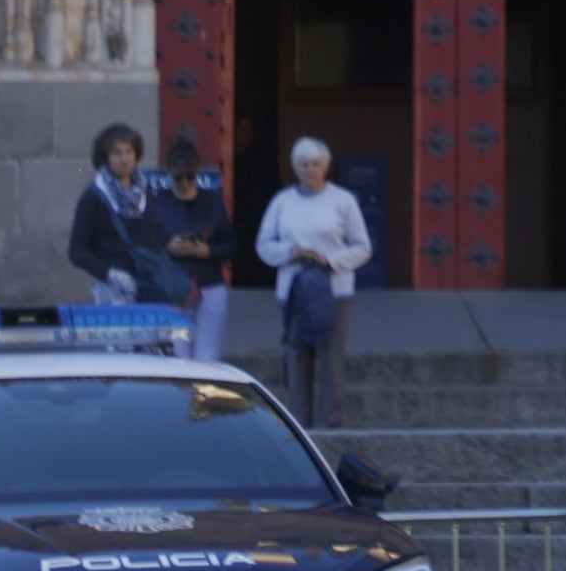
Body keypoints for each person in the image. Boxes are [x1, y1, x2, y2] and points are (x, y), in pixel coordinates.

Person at [255, 136, 373, 427]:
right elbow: (264, 244)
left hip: (334, 290)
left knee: (331, 356)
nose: (310, 169)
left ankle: (331, 423)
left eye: (316, 164)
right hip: (294, 289)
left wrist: (330, 261)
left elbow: (362, 247)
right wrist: (291, 252)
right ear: (295, 167)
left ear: (326, 166)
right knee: (297, 355)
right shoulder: (282, 201)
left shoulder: (343, 200)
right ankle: (299, 425)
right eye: (304, 164)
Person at [70, 126, 190, 306]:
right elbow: (77, 252)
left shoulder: (147, 191)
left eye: (129, 152)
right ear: (106, 158)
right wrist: (110, 274)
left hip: (152, 285)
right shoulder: (93, 197)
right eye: (117, 153)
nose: (124, 159)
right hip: (114, 291)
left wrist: (171, 245)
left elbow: (153, 234)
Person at [156, 136, 238, 364]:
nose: (184, 183)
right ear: (170, 174)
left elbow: (232, 244)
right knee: (177, 356)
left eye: (190, 177)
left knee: (207, 357)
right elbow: (143, 247)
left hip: (210, 285)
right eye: (178, 178)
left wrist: (208, 251)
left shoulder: (212, 202)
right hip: (172, 287)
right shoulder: (158, 203)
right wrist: (169, 247)